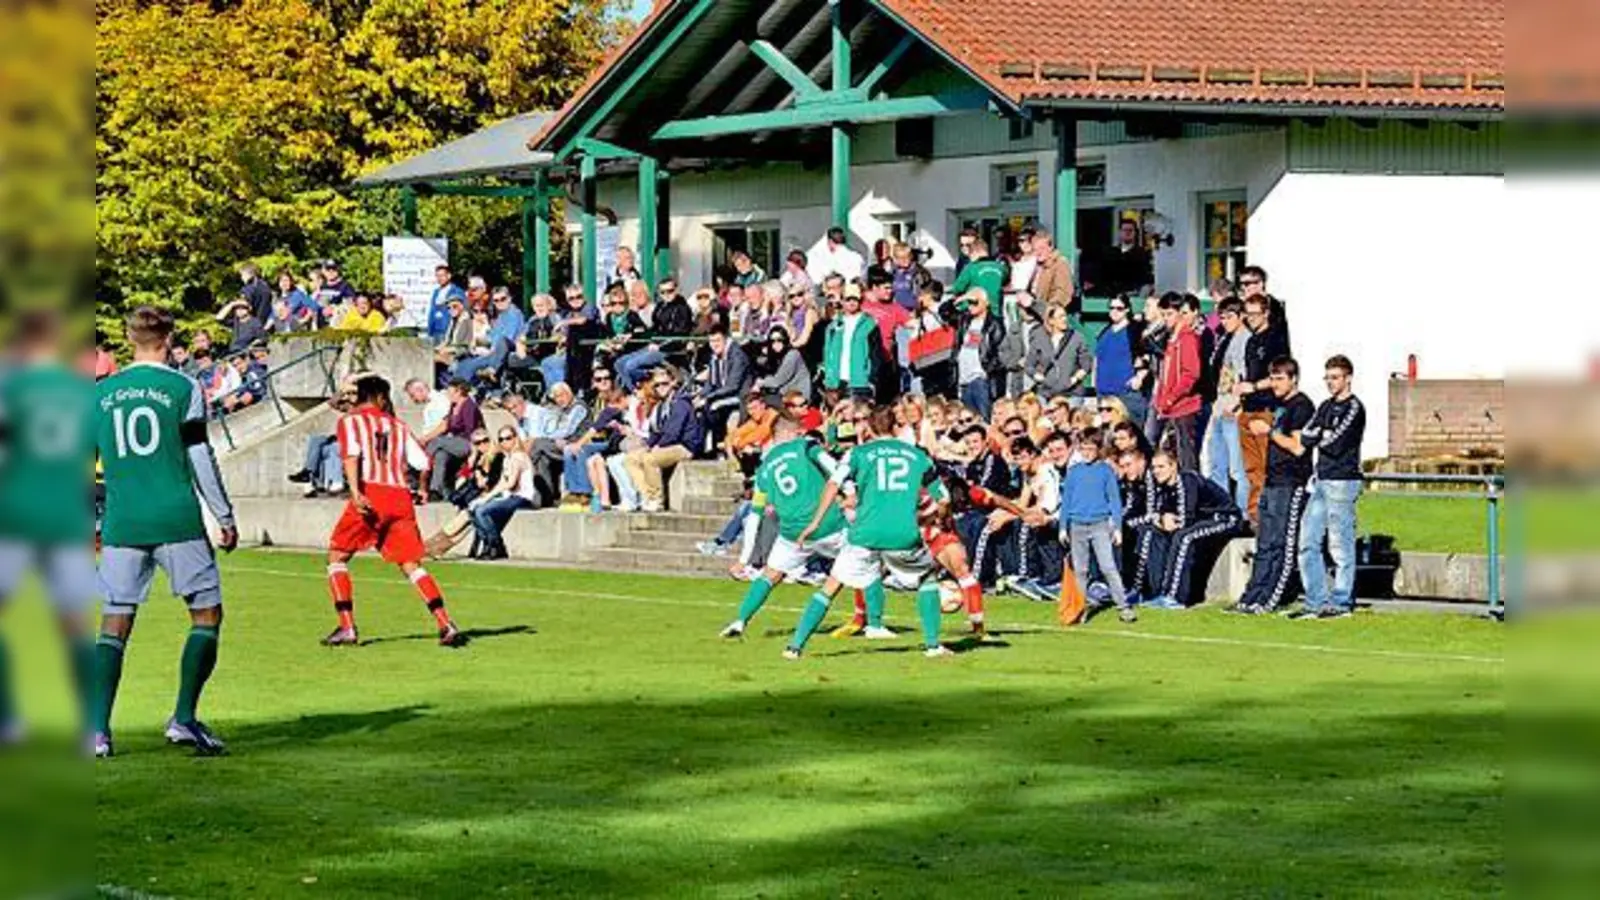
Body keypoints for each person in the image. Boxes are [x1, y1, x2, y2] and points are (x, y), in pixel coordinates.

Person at [91, 306, 239, 758]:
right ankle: (184, 718)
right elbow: (198, 454)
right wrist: (224, 514)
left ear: (128, 337)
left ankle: (96, 731)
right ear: (170, 338)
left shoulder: (98, 394)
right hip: (176, 518)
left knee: (114, 623)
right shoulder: (184, 386)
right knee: (206, 615)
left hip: (122, 523)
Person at [0, 310, 99, 748]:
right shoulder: (78, 392)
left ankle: (7, 720)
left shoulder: (12, 387)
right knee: (74, 623)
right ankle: (89, 727)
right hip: (63, 515)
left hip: (18, 514)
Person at [785, 405, 954, 659]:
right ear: (896, 427)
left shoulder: (858, 453)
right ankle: (932, 646)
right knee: (927, 580)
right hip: (902, 533)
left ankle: (794, 647)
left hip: (865, 533)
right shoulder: (918, 456)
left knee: (830, 587)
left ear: (871, 428)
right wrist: (938, 517)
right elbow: (944, 498)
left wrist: (814, 522)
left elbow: (833, 484)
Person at [323, 375, 465, 647]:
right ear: (380, 397)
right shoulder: (398, 426)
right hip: (400, 497)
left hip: (371, 493)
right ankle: (445, 622)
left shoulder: (351, 422)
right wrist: (422, 489)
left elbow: (351, 456)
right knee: (411, 564)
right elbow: (423, 462)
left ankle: (347, 627)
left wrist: (355, 492)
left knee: (336, 557)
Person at [719, 415, 850, 637]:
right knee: (867, 561)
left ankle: (740, 620)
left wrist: (744, 560)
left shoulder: (764, 469)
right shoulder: (806, 446)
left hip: (792, 533)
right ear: (791, 433)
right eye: (800, 432)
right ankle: (873, 623)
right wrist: (849, 490)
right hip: (829, 525)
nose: (803, 435)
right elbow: (833, 466)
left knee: (770, 575)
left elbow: (755, 515)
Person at [1231, 357, 1314, 615]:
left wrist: (1269, 433)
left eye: (1280, 379)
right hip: (1272, 479)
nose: (1275, 384)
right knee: (1264, 542)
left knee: (1281, 543)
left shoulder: (1302, 407)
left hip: (1291, 482)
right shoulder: (1278, 405)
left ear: (1294, 379)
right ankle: (1252, 595)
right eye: (1273, 378)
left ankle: (1270, 599)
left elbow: (1299, 447)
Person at [1290, 355, 1367, 620]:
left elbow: (1334, 443)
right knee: (1307, 541)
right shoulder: (1324, 406)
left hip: (1343, 482)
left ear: (1348, 378)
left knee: (1340, 544)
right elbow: (1307, 434)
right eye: (1328, 378)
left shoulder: (1354, 408)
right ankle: (1316, 600)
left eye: (1335, 378)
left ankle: (1342, 601)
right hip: (1321, 480)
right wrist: (1318, 434)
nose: (1330, 383)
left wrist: (1318, 435)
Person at [1144, 450, 1247, 609]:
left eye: (1161, 467)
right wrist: (1162, 520)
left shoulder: (1187, 480)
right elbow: (1156, 514)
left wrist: (1167, 521)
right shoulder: (1162, 486)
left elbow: (1186, 519)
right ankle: (1159, 591)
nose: (1156, 471)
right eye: (1154, 467)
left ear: (1174, 466)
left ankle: (1175, 598)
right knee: (1154, 533)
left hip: (1225, 518)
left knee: (1184, 537)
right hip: (1201, 521)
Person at [1058, 428, 1134, 623]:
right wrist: (1063, 527)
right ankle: (1079, 609)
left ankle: (1123, 606)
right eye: (1083, 448)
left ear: (1099, 449)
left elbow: (1114, 500)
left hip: (1099, 524)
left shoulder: (1106, 471)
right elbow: (1066, 500)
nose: (1087, 453)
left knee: (1108, 567)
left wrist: (1117, 527)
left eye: (1091, 448)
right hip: (1077, 525)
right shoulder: (1074, 471)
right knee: (1081, 571)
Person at [1232, 295, 1291, 522]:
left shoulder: (1275, 339)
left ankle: (1269, 514)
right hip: (1247, 409)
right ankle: (1254, 515)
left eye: (1256, 314)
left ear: (1266, 313)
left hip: (1266, 408)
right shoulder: (1251, 341)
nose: (1251, 319)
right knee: (1251, 469)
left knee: (1266, 466)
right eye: (1248, 314)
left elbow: (1278, 377)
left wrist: (1254, 386)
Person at [624, 369, 702, 513]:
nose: (661, 388)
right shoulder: (660, 406)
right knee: (631, 459)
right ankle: (647, 496)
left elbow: (673, 432)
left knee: (650, 459)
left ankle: (657, 499)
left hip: (684, 446)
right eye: (657, 385)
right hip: (667, 445)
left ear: (673, 383)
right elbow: (655, 431)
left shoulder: (680, 403)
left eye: (664, 384)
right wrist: (648, 445)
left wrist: (658, 446)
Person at [1204, 297, 1251, 516]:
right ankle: (1221, 512)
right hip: (1220, 405)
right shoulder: (1226, 339)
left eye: (1229, 316)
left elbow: (1244, 376)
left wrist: (1236, 403)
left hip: (1233, 409)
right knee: (1217, 464)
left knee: (1237, 469)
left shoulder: (1244, 339)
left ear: (1241, 315)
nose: (1224, 321)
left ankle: (1241, 514)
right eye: (1221, 317)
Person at [468, 427, 538, 560]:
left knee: (482, 511)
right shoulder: (508, 458)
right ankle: (489, 545)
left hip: (522, 498)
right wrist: (486, 498)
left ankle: (495, 546)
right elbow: (501, 483)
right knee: (474, 508)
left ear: (515, 438)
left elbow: (511, 484)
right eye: (501, 439)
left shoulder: (518, 457)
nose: (504, 442)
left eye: (508, 438)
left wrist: (487, 499)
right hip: (509, 497)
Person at [1154, 293, 1204, 470]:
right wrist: (1161, 400)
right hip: (1170, 408)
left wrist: (1170, 398)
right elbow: (1165, 374)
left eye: (1169, 314)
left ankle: (1191, 495)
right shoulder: (1172, 339)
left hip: (1184, 408)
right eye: (1163, 314)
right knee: (1170, 456)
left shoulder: (1187, 338)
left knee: (1186, 459)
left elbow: (1190, 374)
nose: (1165, 319)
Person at [421, 379, 482, 500]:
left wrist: (474, 453)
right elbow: (445, 426)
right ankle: (435, 490)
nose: (447, 395)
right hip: (454, 442)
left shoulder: (469, 406)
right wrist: (424, 438)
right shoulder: (453, 406)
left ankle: (422, 465)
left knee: (438, 441)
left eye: (450, 392)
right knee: (441, 455)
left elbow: (472, 432)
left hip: (468, 443)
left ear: (459, 391)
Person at [949, 288, 1005, 420]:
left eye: (975, 302)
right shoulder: (965, 320)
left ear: (986, 303)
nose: (970, 305)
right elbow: (944, 312)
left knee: (983, 419)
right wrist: (962, 299)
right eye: (969, 302)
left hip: (980, 380)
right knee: (967, 421)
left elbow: (1001, 352)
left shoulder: (994, 323)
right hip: (964, 379)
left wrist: (987, 371)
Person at [821, 283, 880, 400]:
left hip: (860, 381)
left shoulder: (870, 324)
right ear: (842, 301)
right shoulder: (833, 326)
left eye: (855, 299)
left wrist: (871, 378)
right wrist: (828, 377)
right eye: (848, 299)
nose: (852, 303)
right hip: (835, 382)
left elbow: (876, 354)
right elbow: (827, 353)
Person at [697, 328, 752, 450]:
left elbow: (733, 386)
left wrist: (708, 397)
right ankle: (705, 445)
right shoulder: (714, 357)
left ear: (726, 340)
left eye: (717, 340)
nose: (714, 345)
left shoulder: (737, 356)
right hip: (722, 395)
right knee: (698, 407)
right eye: (711, 341)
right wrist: (700, 395)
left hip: (740, 396)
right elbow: (711, 383)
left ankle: (716, 444)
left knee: (712, 407)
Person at [1026, 305, 1092, 405]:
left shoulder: (1077, 338)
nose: (1065, 319)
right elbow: (1029, 365)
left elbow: (1086, 364)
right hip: (1045, 393)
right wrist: (1037, 376)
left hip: (1071, 393)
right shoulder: (1039, 338)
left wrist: (1074, 379)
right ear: (1051, 320)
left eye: (1065, 316)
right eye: (1061, 316)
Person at [948, 235, 1007, 318]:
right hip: (996, 313)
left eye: (971, 254)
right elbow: (1005, 282)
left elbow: (957, 288)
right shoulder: (1001, 267)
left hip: (975, 312)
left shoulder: (971, 268)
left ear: (974, 252)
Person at [1030, 228, 1075, 313]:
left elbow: (1063, 294)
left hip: (1050, 318)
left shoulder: (1059, 264)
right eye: (1035, 249)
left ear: (1050, 247)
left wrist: (1048, 311)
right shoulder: (1037, 266)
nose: (1038, 252)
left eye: (1042, 248)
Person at [426, 265, 467, 342]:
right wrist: (430, 331)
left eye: (442, 275)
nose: (439, 278)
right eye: (437, 276)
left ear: (449, 276)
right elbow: (432, 311)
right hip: (435, 331)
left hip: (449, 330)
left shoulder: (457, 291)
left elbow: (462, 311)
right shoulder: (436, 292)